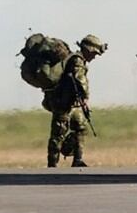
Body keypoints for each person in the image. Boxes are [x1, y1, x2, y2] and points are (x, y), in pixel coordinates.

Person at [44, 34, 108, 168]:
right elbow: (80, 80)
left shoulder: (78, 60)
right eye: (94, 53)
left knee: (81, 128)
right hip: (62, 103)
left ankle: (78, 160)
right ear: (89, 49)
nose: (94, 57)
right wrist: (85, 97)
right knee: (58, 134)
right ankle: (52, 165)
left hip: (72, 103)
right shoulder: (77, 61)